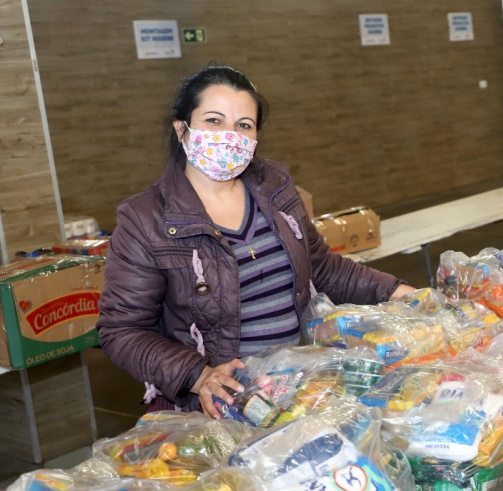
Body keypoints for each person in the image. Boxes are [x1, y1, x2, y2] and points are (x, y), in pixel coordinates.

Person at [97, 65, 415, 418]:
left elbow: (322, 269)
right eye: (214, 121)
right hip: (224, 406)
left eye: (243, 125)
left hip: (302, 391)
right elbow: (123, 331)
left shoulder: (273, 186)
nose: (229, 136)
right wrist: (199, 376)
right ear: (181, 129)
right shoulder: (146, 219)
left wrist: (407, 295)